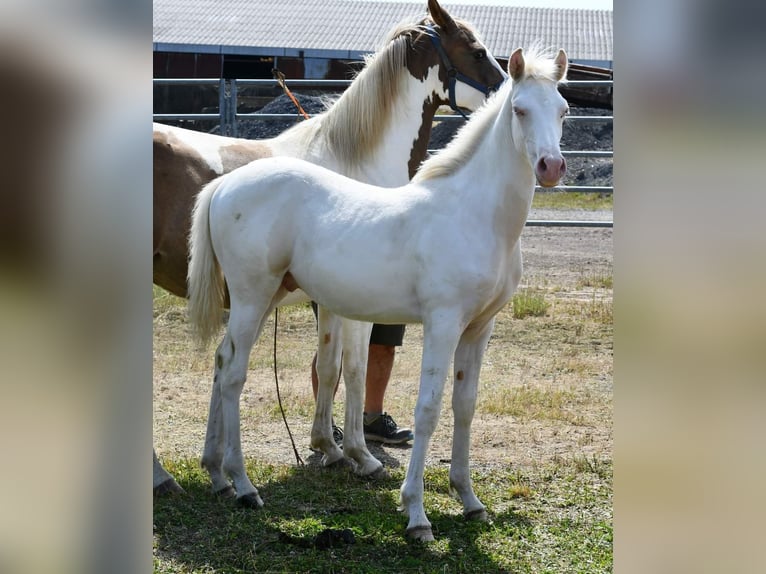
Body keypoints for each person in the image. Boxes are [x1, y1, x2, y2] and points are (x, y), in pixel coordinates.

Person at [310, 303, 413, 445]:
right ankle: (324, 424)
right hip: (340, 284)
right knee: (334, 343)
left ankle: (373, 420)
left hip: (388, 286)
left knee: (386, 340)